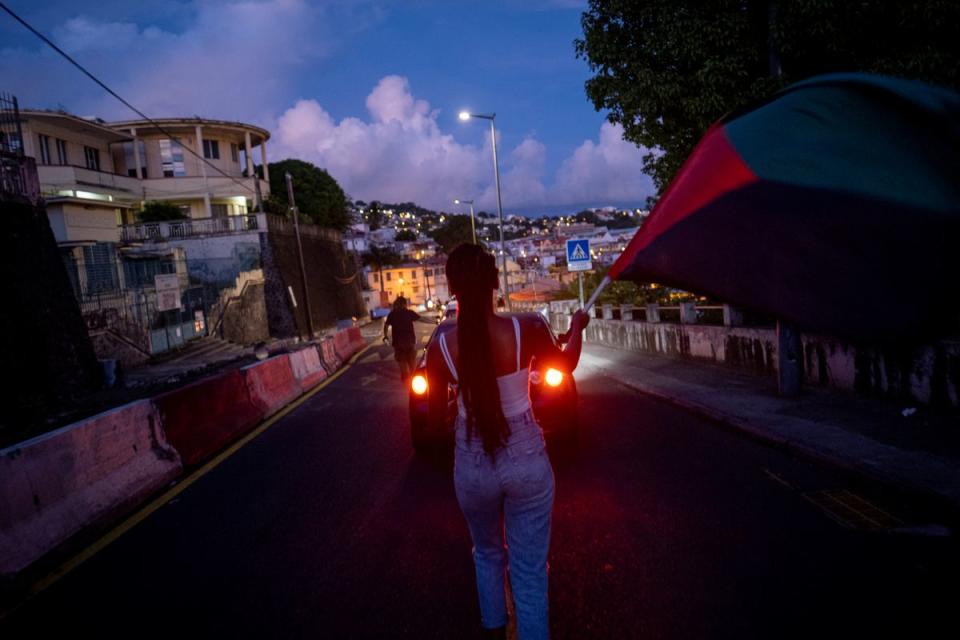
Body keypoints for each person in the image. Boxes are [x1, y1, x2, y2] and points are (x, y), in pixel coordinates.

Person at [425, 244, 590, 640]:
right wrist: (579, 329)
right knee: (529, 572)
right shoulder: (526, 328)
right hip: (526, 459)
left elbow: (433, 421)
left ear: (452, 288)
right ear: (495, 283)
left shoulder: (440, 347)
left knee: (486, 555)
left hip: (472, 464)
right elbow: (566, 366)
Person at [383, 296, 421, 381]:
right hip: (410, 342)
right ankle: (415, 382)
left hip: (398, 344)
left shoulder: (392, 314)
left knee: (402, 362)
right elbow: (421, 319)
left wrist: (385, 336)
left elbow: (386, 326)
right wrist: (434, 322)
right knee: (412, 363)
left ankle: (405, 378)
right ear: (404, 304)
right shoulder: (409, 312)